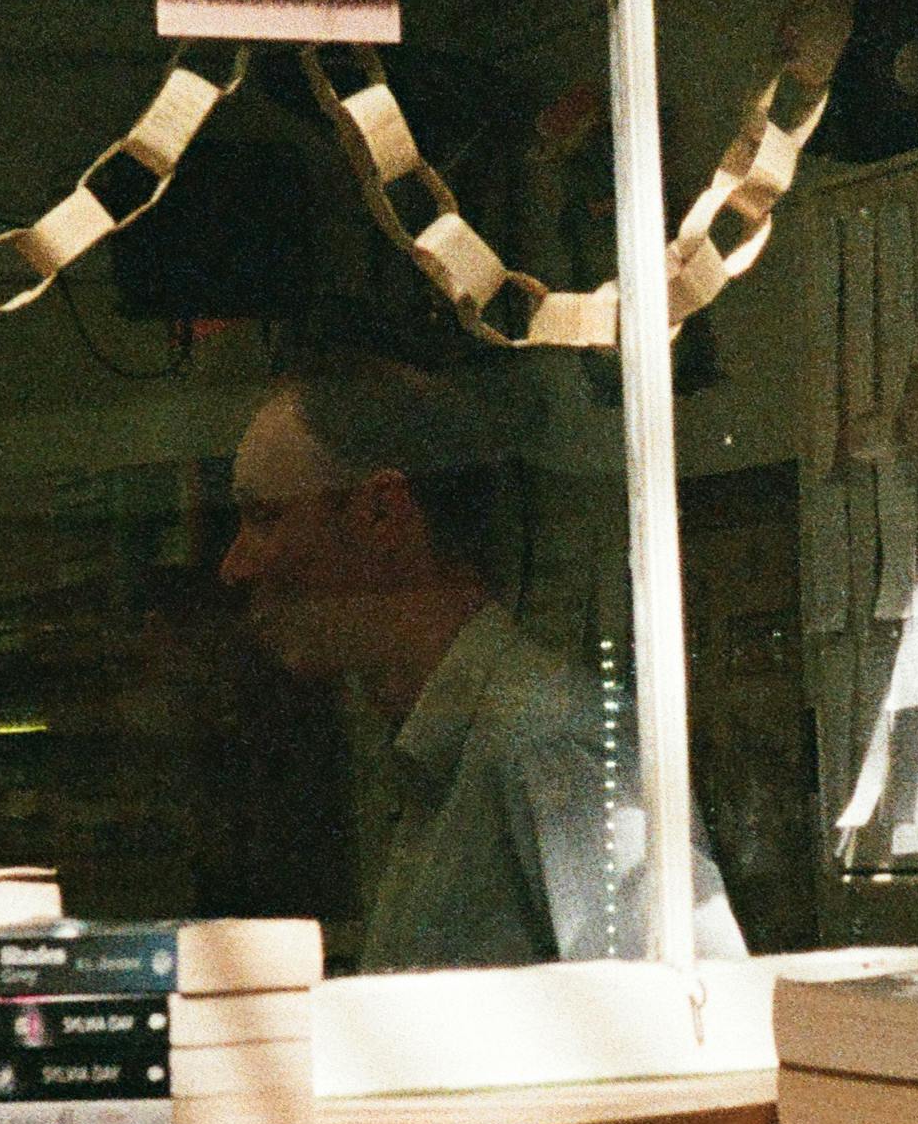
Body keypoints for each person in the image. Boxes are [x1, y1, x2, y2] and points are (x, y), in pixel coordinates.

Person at [220, 362, 742, 968]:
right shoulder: (444, 755)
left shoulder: (550, 741)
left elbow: (677, 1018)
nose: (234, 566)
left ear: (383, 514)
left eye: (264, 517)